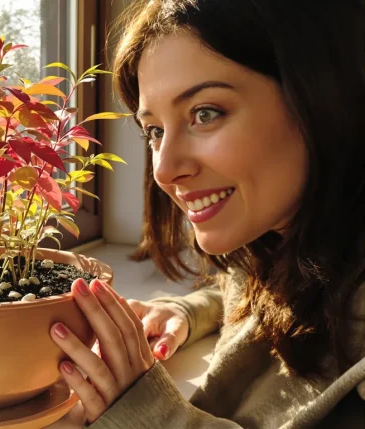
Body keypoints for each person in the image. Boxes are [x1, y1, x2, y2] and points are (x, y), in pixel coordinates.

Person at [50, 0, 365, 427]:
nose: (164, 170)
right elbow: (250, 291)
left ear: (323, 97)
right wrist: (187, 312)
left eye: (205, 114)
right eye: (154, 130)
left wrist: (150, 415)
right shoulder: (280, 247)